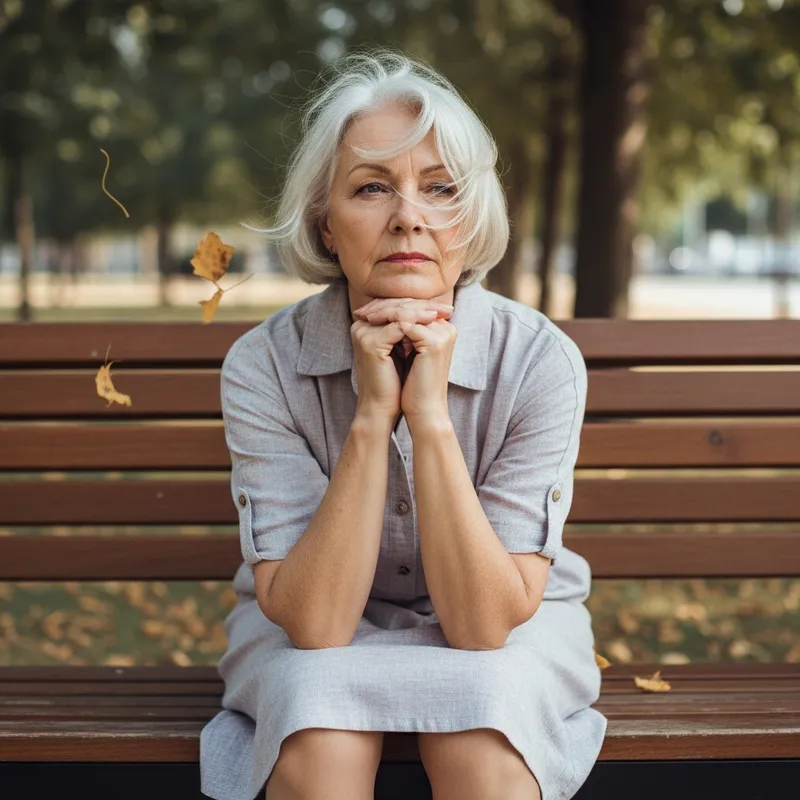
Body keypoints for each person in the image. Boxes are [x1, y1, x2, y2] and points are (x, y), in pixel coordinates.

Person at [200, 50, 606, 800]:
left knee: (484, 736)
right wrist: (373, 415)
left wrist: (429, 418)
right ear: (326, 224)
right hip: (308, 619)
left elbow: (485, 625)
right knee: (318, 741)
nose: (410, 216)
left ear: (472, 213)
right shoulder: (262, 365)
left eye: (441, 188)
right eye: (372, 187)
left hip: (509, 623)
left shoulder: (542, 361)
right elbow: (316, 623)